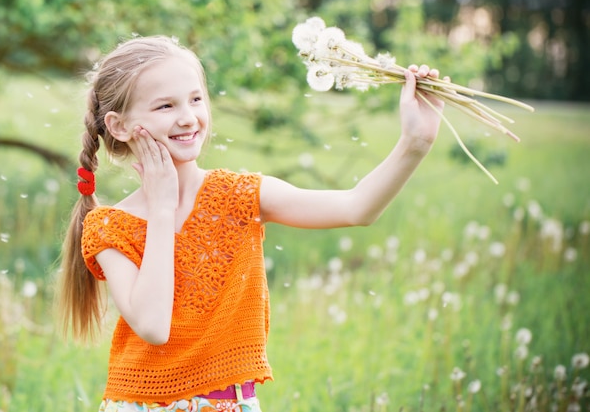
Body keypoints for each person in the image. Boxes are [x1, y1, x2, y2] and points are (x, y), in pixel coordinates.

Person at [57, 35, 446, 412]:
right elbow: (154, 327)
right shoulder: (109, 226)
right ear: (120, 125)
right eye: (165, 107)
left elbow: (356, 208)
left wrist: (415, 143)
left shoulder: (238, 195)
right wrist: (161, 209)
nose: (188, 117)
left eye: (195, 99)